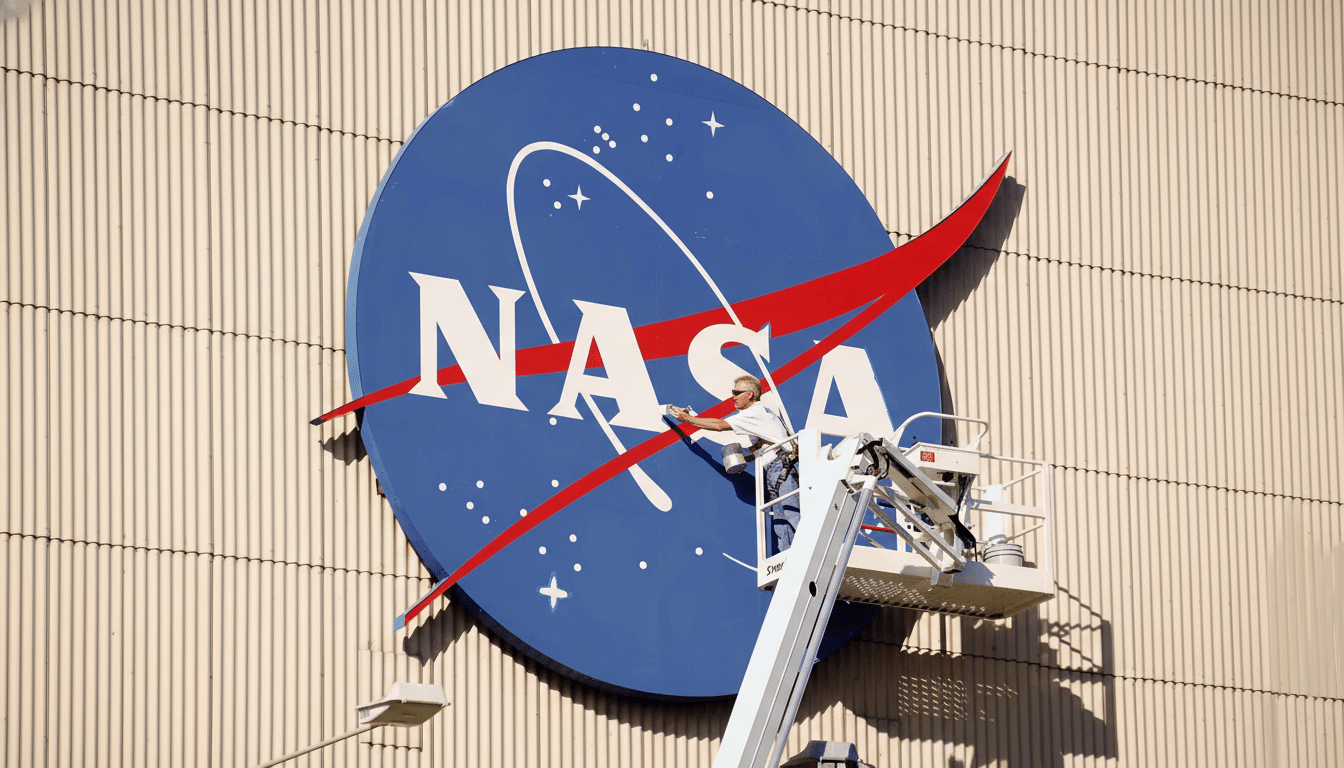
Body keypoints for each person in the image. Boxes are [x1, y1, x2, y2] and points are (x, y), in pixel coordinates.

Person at [670, 375, 800, 554]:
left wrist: (688, 420)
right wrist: (745, 458)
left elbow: (719, 425)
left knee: (791, 514)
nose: (733, 397)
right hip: (776, 468)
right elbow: (764, 444)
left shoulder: (754, 413)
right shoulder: (762, 414)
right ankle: (789, 558)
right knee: (781, 520)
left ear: (750, 395)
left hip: (781, 467)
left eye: (737, 393)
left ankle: (802, 553)